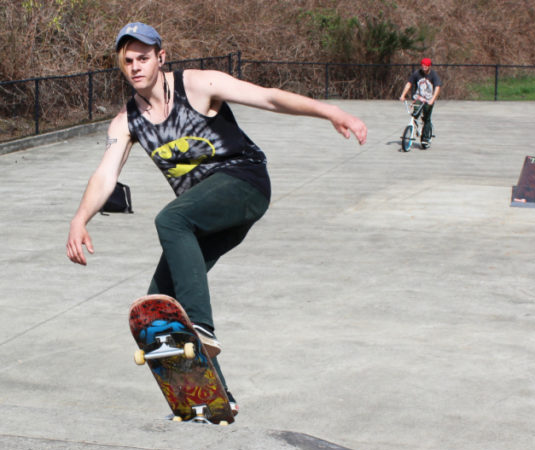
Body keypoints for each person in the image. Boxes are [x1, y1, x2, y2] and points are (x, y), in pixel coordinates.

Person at [66, 22, 367, 413]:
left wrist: (329, 110)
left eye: (143, 58)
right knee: (160, 306)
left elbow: (269, 98)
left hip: (245, 184)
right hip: (205, 213)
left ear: (161, 57)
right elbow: (106, 175)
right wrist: (79, 218)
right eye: (128, 61)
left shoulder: (199, 85)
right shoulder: (126, 122)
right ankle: (216, 396)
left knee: (170, 220)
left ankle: (203, 330)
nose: (136, 67)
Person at [398, 58, 442, 147]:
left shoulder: (433, 75)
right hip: (419, 98)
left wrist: (432, 100)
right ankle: (413, 127)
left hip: (429, 99)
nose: (424, 67)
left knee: (426, 118)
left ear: (430, 66)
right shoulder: (417, 74)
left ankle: (426, 138)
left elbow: (437, 87)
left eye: (426, 65)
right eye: (423, 65)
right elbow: (409, 83)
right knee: (415, 114)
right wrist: (403, 95)